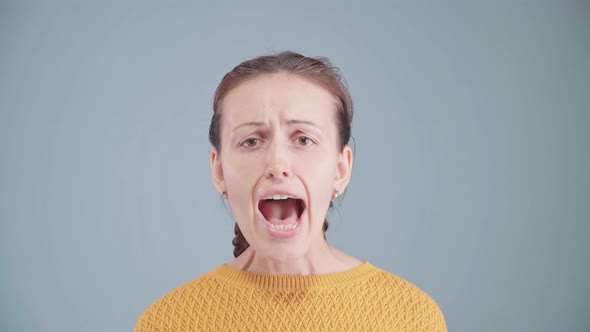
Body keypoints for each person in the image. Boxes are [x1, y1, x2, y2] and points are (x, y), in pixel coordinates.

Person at [134, 51, 447, 331]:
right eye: (252, 141)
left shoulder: (412, 317)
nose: (277, 163)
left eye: (303, 139)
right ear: (219, 171)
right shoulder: (169, 322)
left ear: (341, 169)